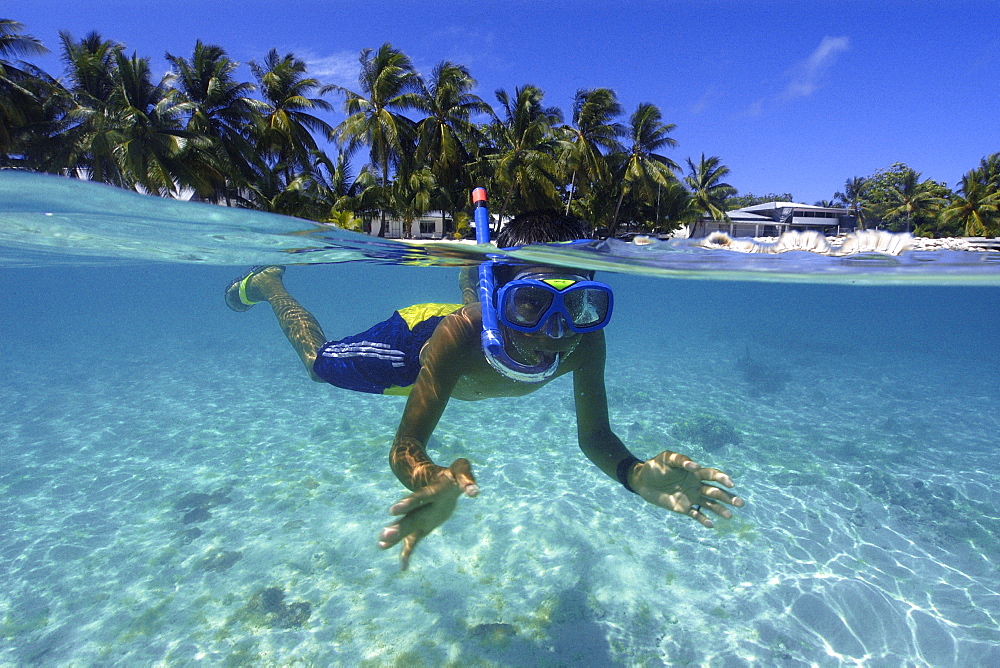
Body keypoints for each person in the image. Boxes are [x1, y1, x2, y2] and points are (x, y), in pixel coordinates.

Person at [225, 210, 744, 569]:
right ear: (505, 301)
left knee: (506, 304)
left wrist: (633, 472)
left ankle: (483, 284)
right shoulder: (458, 337)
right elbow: (405, 448)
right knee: (319, 365)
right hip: (415, 347)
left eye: (579, 305)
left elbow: (595, 437)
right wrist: (426, 477)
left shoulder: (585, 342)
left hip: (482, 319)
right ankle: (271, 283)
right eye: (529, 305)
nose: (554, 333)